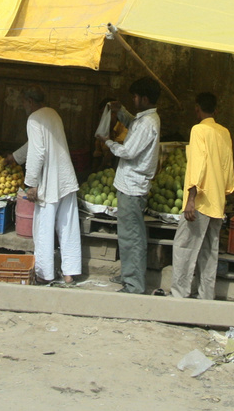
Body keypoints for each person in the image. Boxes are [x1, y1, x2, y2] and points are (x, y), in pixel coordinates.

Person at [96, 77, 161, 295]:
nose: (133, 100)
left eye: (134, 97)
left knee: (132, 237)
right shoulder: (144, 120)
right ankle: (127, 276)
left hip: (133, 187)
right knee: (127, 235)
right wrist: (121, 110)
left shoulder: (148, 123)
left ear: (144, 98)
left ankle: (134, 286)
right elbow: (133, 122)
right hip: (128, 185)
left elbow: (128, 152)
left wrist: (108, 142)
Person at [12, 87, 81, 286]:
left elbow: (38, 151)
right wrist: (15, 157)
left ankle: (44, 273)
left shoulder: (33, 119)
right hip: (66, 177)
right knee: (68, 226)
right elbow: (36, 145)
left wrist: (31, 184)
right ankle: (70, 273)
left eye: (24, 102)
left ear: (29, 101)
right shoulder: (53, 114)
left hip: (50, 181)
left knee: (43, 227)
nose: (24, 106)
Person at [171, 93, 234, 300]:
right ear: (216, 110)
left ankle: (179, 295)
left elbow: (198, 163)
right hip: (217, 202)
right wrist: (223, 194)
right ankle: (206, 298)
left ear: (197, 108)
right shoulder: (224, 132)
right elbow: (228, 169)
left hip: (199, 202)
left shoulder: (198, 130)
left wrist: (191, 198)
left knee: (184, 248)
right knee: (209, 253)